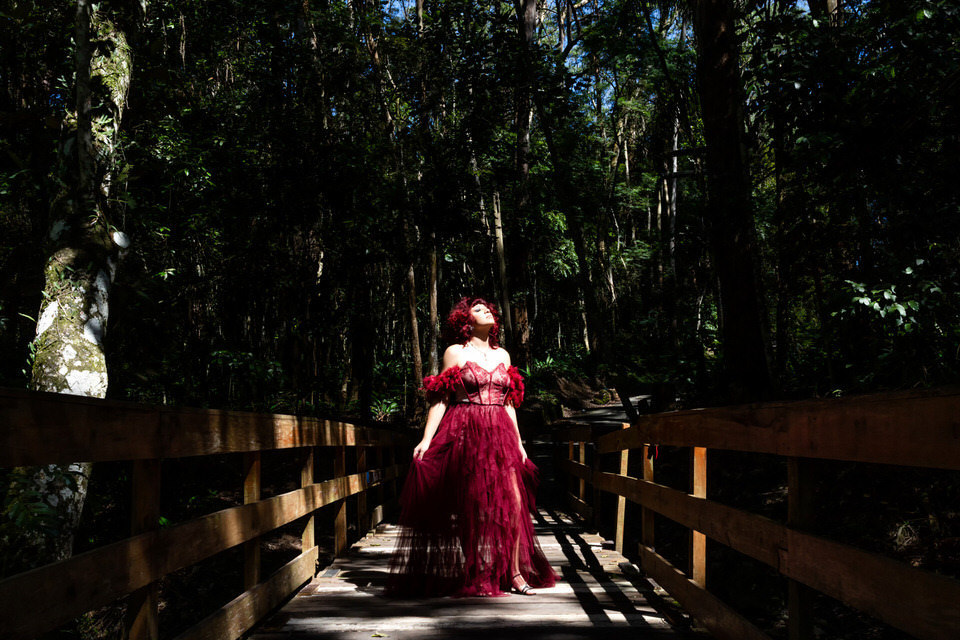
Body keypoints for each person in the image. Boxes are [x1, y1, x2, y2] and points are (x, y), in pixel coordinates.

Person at [387, 297, 557, 597]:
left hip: (501, 433)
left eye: (489, 308)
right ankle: (475, 571)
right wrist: (426, 438)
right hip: (465, 430)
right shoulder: (455, 352)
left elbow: (509, 403)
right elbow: (441, 399)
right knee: (471, 504)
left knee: (514, 504)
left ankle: (514, 572)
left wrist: (519, 444)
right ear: (465, 320)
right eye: (478, 310)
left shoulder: (503, 354)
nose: (488, 311)